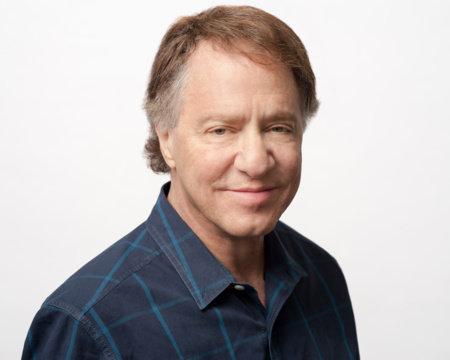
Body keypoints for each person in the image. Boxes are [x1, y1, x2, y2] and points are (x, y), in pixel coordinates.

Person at [22, 5, 359, 359]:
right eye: (221, 130)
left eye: (278, 128)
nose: (256, 162)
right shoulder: (87, 325)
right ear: (166, 140)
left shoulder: (323, 277)